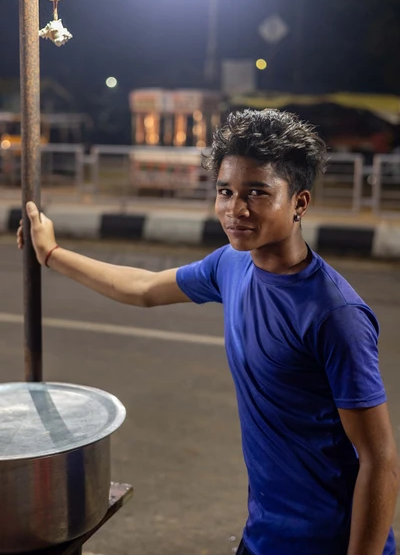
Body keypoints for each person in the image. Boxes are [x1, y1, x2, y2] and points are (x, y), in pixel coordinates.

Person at [18, 109, 399, 555]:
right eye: (225, 192)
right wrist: (51, 254)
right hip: (264, 533)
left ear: (300, 202)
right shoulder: (231, 264)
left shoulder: (335, 314)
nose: (235, 209)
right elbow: (142, 288)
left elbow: (380, 459)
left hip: (329, 540)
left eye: (257, 193)